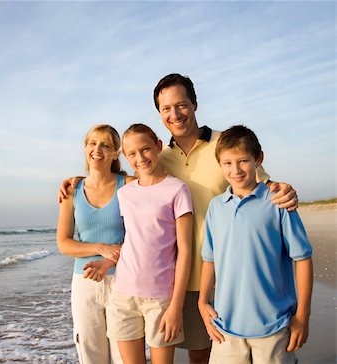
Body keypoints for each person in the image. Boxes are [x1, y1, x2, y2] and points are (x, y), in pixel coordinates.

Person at [60, 73, 298, 363]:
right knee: (198, 352)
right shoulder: (162, 156)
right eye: (166, 109)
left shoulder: (224, 145)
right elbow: (131, 183)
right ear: (159, 115)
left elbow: (259, 184)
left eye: (181, 105)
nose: (175, 114)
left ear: (194, 104)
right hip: (177, 279)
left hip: (227, 273)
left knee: (226, 352)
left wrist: (281, 187)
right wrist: (81, 180)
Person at [198, 125, 313, 364]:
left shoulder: (278, 202)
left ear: (258, 159)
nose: (236, 170)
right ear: (219, 164)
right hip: (225, 326)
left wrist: (303, 315)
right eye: (227, 163)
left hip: (274, 326)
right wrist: (202, 301)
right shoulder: (216, 207)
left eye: (243, 161)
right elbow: (210, 259)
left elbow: (302, 258)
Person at [103, 123, 193, 364]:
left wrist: (176, 305)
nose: (140, 158)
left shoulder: (177, 189)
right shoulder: (125, 193)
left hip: (161, 298)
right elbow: (133, 239)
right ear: (125, 156)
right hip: (123, 294)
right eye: (131, 153)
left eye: (145, 149)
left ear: (158, 147)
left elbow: (185, 250)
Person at [56, 124, 134, 364]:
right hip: (84, 282)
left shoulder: (129, 185)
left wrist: (109, 257)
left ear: (115, 153)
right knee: (91, 354)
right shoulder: (71, 190)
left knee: (123, 354)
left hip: (123, 280)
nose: (97, 149)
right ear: (85, 148)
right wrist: (100, 248)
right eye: (92, 143)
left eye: (105, 145)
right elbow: (64, 243)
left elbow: (140, 235)